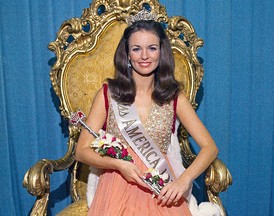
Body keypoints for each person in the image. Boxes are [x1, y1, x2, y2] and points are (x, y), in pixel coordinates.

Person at [75, 10, 219, 216]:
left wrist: (183, 181)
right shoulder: (108, 93)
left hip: (160, 187)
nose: (144, 56)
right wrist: (117, 164)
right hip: (117, 182)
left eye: (152, 48)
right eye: (136, 49)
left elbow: (210, 148)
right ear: (127, 54)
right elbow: (82, 151)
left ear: (162, 52)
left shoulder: (173, 96)